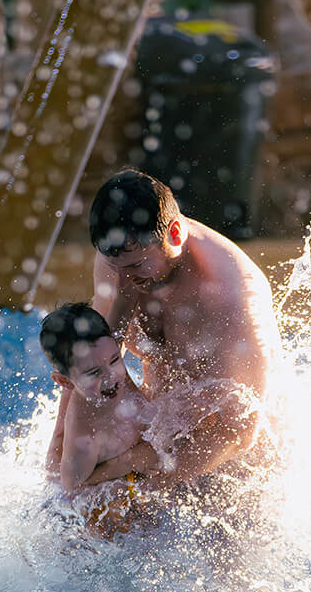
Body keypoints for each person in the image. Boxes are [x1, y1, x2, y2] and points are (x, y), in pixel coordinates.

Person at [51, 169, 280, 492]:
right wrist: (57, 466)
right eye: (114, 267)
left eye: (134, 268)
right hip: (158, 444)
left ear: (174, 234)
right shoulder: (120, 259)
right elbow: (85, 370)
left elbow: (240, 432)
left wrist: (122, 476)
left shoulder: (230, 296)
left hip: (239, 469)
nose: (122, 280)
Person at [40, 302, 153, 493]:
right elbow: (72, 489)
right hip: (84, 484)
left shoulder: (103, 355)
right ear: (63, 381)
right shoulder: (85, 436)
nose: (111, 376)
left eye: (116, 359)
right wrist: (132, 460)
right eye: (94, 373)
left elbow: (123, 298)